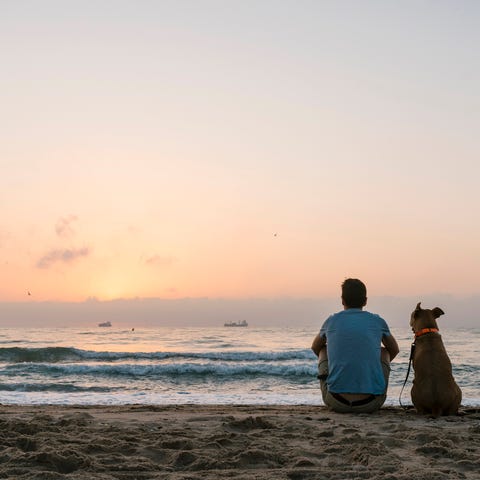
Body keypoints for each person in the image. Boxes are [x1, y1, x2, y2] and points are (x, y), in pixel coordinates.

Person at [311, 278, 399, 413]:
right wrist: (372, 365)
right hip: (372, 403)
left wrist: (336, 360)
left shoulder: (332, 321)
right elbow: (394, 349)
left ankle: (336, 382)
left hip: (336, 401)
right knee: (384, 352)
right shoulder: (377, 321)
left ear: (342, 300)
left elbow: (315, 347)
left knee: (324, 349)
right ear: (365, 300)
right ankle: (373, 384)